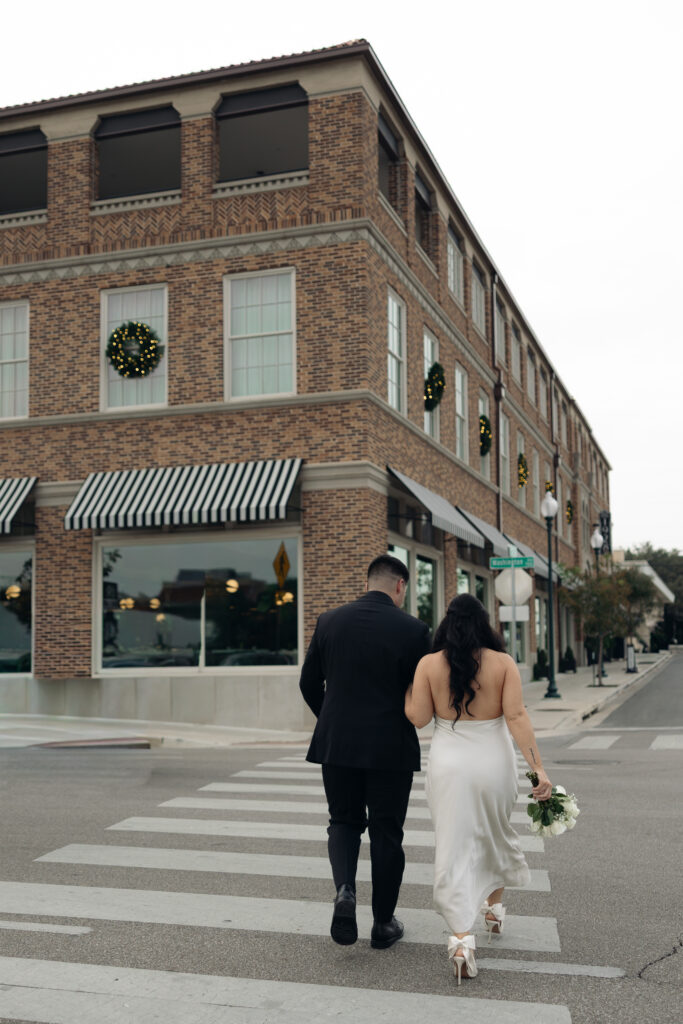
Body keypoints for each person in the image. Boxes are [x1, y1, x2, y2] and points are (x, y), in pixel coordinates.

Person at [404, 593, 552, 984]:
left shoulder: (428, 665)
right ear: (484, 623)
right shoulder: (503, 664)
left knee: (453, 845)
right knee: (494, 832)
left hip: (450, 764)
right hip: (493, 763)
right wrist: (537, 769)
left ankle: (460, 939)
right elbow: (517, 716)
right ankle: (494, 909)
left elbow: (418, 718)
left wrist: (408, 690)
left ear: (446, 623)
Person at [299, 554, 431, 948]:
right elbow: (420, 697)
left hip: (337, 744)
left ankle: (345, 891)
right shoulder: (414, 630)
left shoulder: (329, 621)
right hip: (390, 747)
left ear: (369, 580)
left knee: (343, 821)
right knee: (386, 832)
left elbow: (308, 684)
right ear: (400, 586)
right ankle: (383, 924)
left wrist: (333, 721)